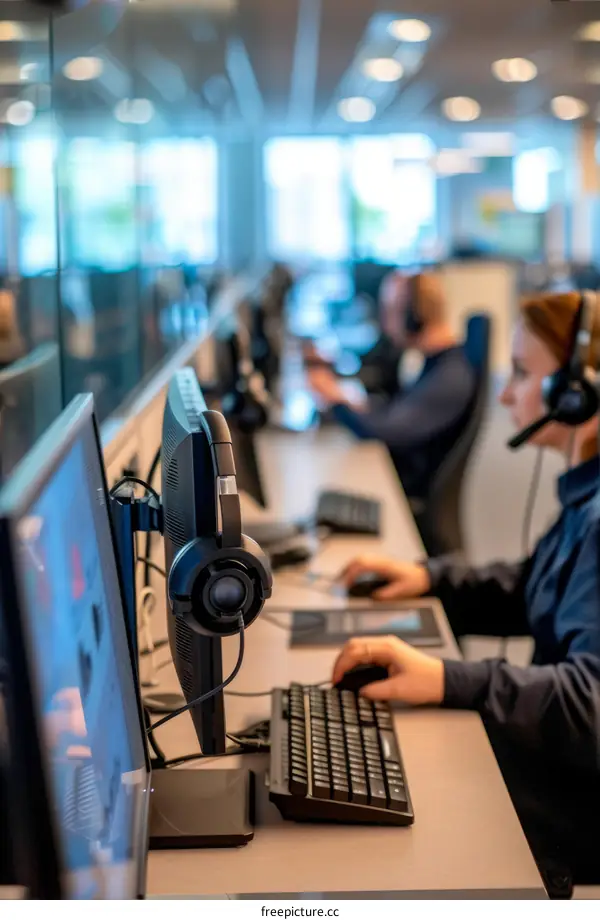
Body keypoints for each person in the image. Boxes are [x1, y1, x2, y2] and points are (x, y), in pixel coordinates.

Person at [333, 291, 600, 897]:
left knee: (391, 812)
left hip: (579, 804)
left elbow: (592, 703)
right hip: (561, 764)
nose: (506, 394)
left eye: (523, 375)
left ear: (577, 390)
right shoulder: (586, 495)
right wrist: (431, 577)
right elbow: (534, 587)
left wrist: (448, 680)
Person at [306, 271, 477, 500]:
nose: (385, 321)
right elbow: (396, 412)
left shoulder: (450, 376)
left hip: (406, 494)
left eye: (389, 310)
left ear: (413, 316)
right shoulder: (435, 363)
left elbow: (386, 432)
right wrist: (352, 402)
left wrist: (335, 400)